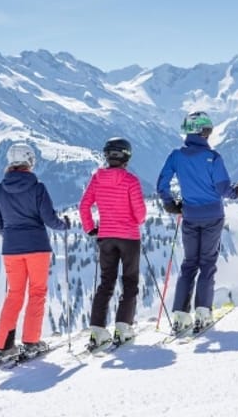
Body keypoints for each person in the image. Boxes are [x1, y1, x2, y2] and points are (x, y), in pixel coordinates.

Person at [156, 111, 238, 334]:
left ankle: (179, 316)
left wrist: (170, 203)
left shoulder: (176, 156)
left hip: (189, 215)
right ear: (204, 131)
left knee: (189, 264)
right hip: (212, 217)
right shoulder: (213, 157)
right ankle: (202, 314)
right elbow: (223, 190)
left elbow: (162, 183)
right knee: (207, 263)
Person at [0, 142, 71, 366]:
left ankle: (3, 346)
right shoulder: (37, 188)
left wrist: (11, 235)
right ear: (29, 161)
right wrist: (64, 225)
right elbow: (50, 219)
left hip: (11, 250)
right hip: (37, 247)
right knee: (37, 293)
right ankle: (31, 342)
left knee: (14, 295)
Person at [79, 137, 147, 349]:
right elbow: (141, 214)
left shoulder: (97, 179)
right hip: (129, 238)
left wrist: (90, 228)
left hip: (106, 237)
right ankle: (123, 327)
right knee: (129, 282)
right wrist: (133, 221)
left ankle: (98, 330)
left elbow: (84, 206)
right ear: (127, 156)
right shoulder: (131, 181)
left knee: (106, 282)